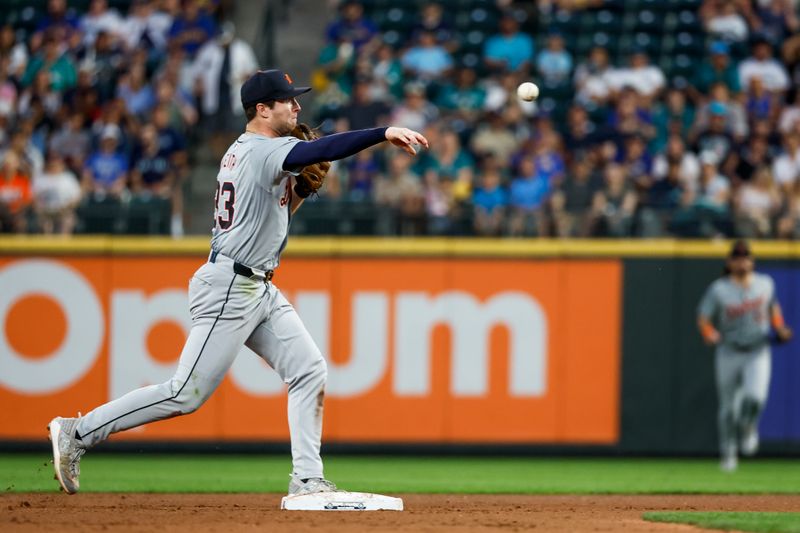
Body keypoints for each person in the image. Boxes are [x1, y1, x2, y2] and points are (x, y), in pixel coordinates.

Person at [48, 68, 428, 495]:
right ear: (262, 110)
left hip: (257, 284)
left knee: (308, 370)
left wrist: (299, 192)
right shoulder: (262, 151)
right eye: (288, 100)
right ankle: (77, 431)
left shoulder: (255, 152)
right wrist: (384, 132)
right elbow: (327, 147)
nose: (298, 107)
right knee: (184, 394)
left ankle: (307, 479)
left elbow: (275, 219)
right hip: (232, 284)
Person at [697, 240, 793, 472]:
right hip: (728, 351)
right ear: (729, 262)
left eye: (746, 257)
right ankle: (728, 453)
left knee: (755, 398)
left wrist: (779, 327)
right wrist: (709, 333)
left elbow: (773, 309)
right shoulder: (719, 289)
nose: (742, 261)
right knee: (728, 408)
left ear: (752, 261)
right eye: (738, 258)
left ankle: (749, 426)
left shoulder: (765, 284)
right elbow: (703, 317)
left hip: (757, 350)